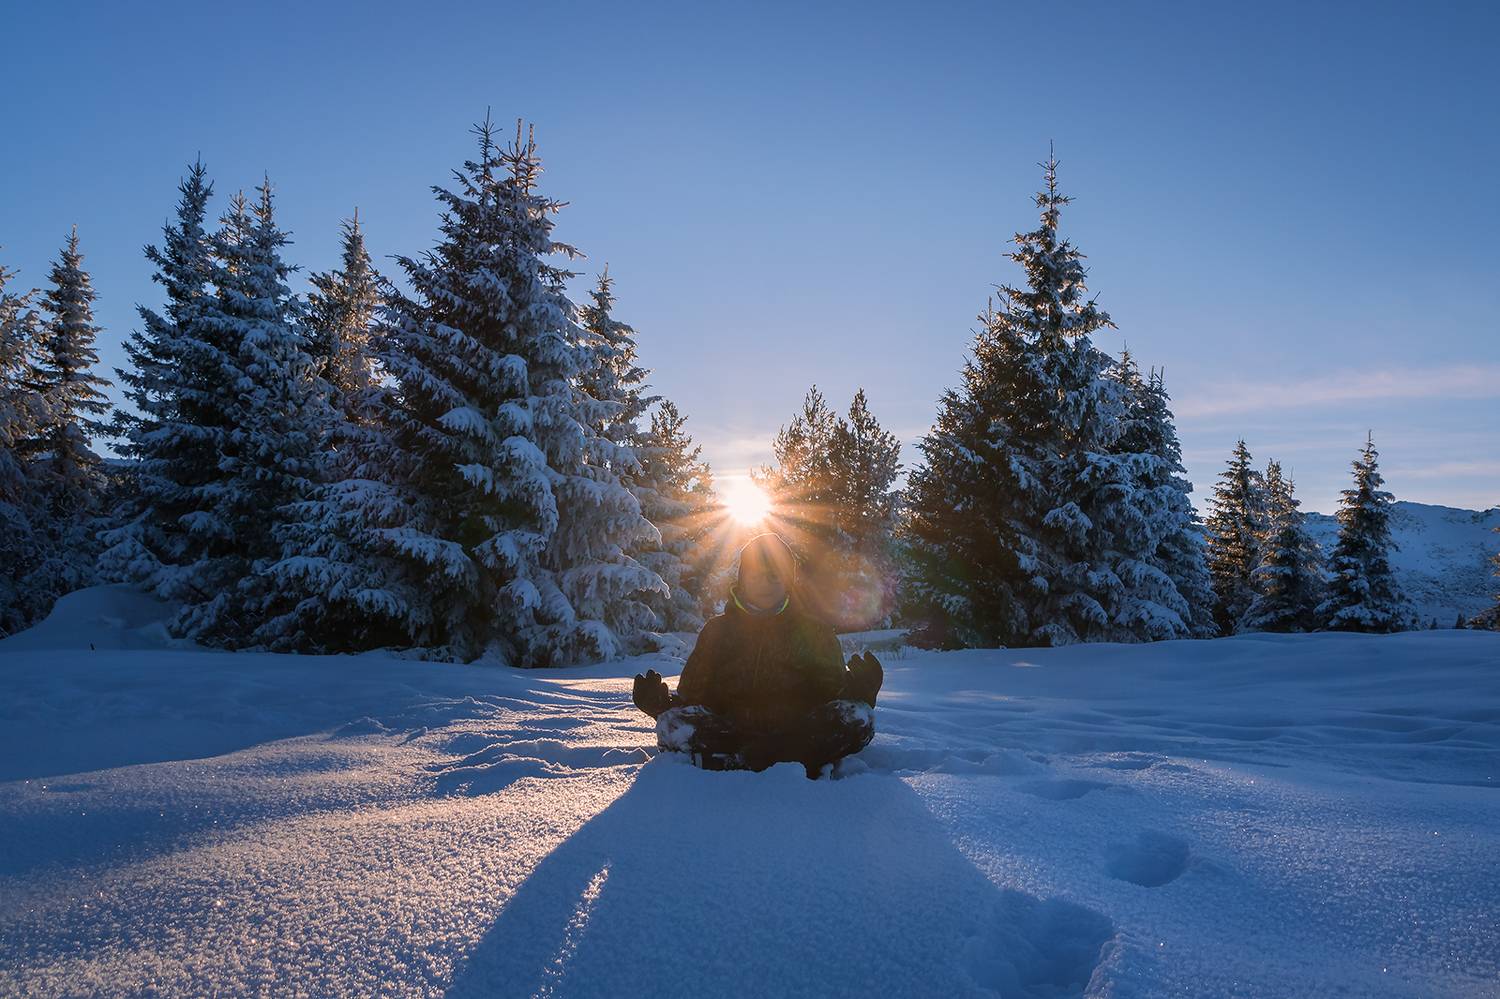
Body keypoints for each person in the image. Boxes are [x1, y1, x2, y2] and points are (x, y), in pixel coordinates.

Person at [632, 532, 883, 778]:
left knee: (859, 718)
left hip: (798, 731)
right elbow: (693, 695)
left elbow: (833, 692)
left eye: (774, 577)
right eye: (757, 575)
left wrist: (861, 693)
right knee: (671, 724)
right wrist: (661, 706)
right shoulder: (718, 631)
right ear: (743, 579)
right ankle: (789, 762)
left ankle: (743, 761)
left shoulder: (814, 631)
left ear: (787, 581)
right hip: (731, 730)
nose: (766, 584)